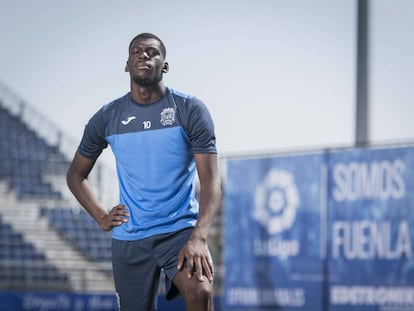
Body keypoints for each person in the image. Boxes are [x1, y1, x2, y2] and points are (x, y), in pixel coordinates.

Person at [66, 32, 221, 311]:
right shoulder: (107, 117)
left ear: (165, 66)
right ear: (126, 64)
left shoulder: (189, 109)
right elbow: (75, 175)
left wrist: (198, 237)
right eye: (137, 51)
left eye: (152, 52)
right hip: (131, 238)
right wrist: (101, 216)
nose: (144, 55)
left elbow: (210, 182)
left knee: (200, 291)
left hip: (179, 231)